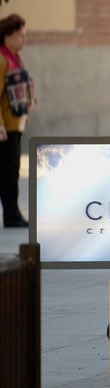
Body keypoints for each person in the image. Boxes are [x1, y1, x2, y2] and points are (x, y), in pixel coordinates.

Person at [1, 14, 36, 228]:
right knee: (7, 173)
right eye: (20, 35)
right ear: (8, 35)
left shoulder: (15, 58)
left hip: (17, 124)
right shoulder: (2, 60)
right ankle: (12, 216)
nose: (24, 39)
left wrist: (32, 101)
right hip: (6, 127)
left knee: (12, 171)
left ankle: (13, 214)